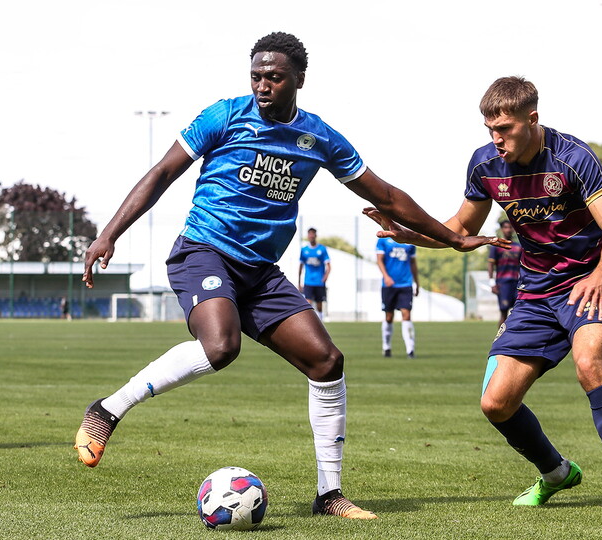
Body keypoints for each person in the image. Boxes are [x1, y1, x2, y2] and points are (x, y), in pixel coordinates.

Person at [74, 32, 505, 520]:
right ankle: (107, 410)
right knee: (222, 346)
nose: (262, 85)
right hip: (204, 252)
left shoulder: (318, 137)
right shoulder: (223, 115)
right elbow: (160, 175)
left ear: (298, 79)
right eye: (256, 75)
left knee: (327, 360)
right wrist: (107, 234)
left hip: (259, 272)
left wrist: (451, 237)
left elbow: (386, 196)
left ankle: (329, 495)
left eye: (274, 77)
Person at [364, 76, 602, 525]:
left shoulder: (573, 158)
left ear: (532, 119)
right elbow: (460, 230)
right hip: (535, 293)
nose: (496, 138)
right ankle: (557, 472)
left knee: (590, 365)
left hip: (588, 283)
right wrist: (412, 235)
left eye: (504, 128)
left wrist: (601, 276)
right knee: (496, 404)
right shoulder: (485, 165)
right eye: (489, 129)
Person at [376, 237, 419, 358]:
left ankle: (410, 350)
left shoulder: (409, 239)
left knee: (407, 315)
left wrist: (417, 283)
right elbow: (379, 260)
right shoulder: (383, 240)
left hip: (406, 284)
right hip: (389, 285)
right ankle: (387, 347)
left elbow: (413, 263)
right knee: (389, 317)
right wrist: (386, 276)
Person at [487, 220, 522, 327]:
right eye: (506, 227)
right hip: (503, 283)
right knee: (503, 312)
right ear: (502, 229)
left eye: (510, 227)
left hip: (517, 283)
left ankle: (515, 339)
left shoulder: (518, 247)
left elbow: (522, 265)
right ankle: (500, 341)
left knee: (519, 311)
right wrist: (492, 283)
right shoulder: (496, 246)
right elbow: (490, 265)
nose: (508, 230)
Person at [298, 227, 330, 320]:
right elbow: (300, 266)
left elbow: (329, 265)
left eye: (313, 234)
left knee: (319, 305)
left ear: (315, 235)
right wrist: (299, 281)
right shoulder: (304, 250)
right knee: (308, 304)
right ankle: (311, 322)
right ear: (308, 236)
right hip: (308, 281)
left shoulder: (322, 249)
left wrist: (325, 277)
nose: (311, 236)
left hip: (319, 281)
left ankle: (321, 320)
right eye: (310, 234)